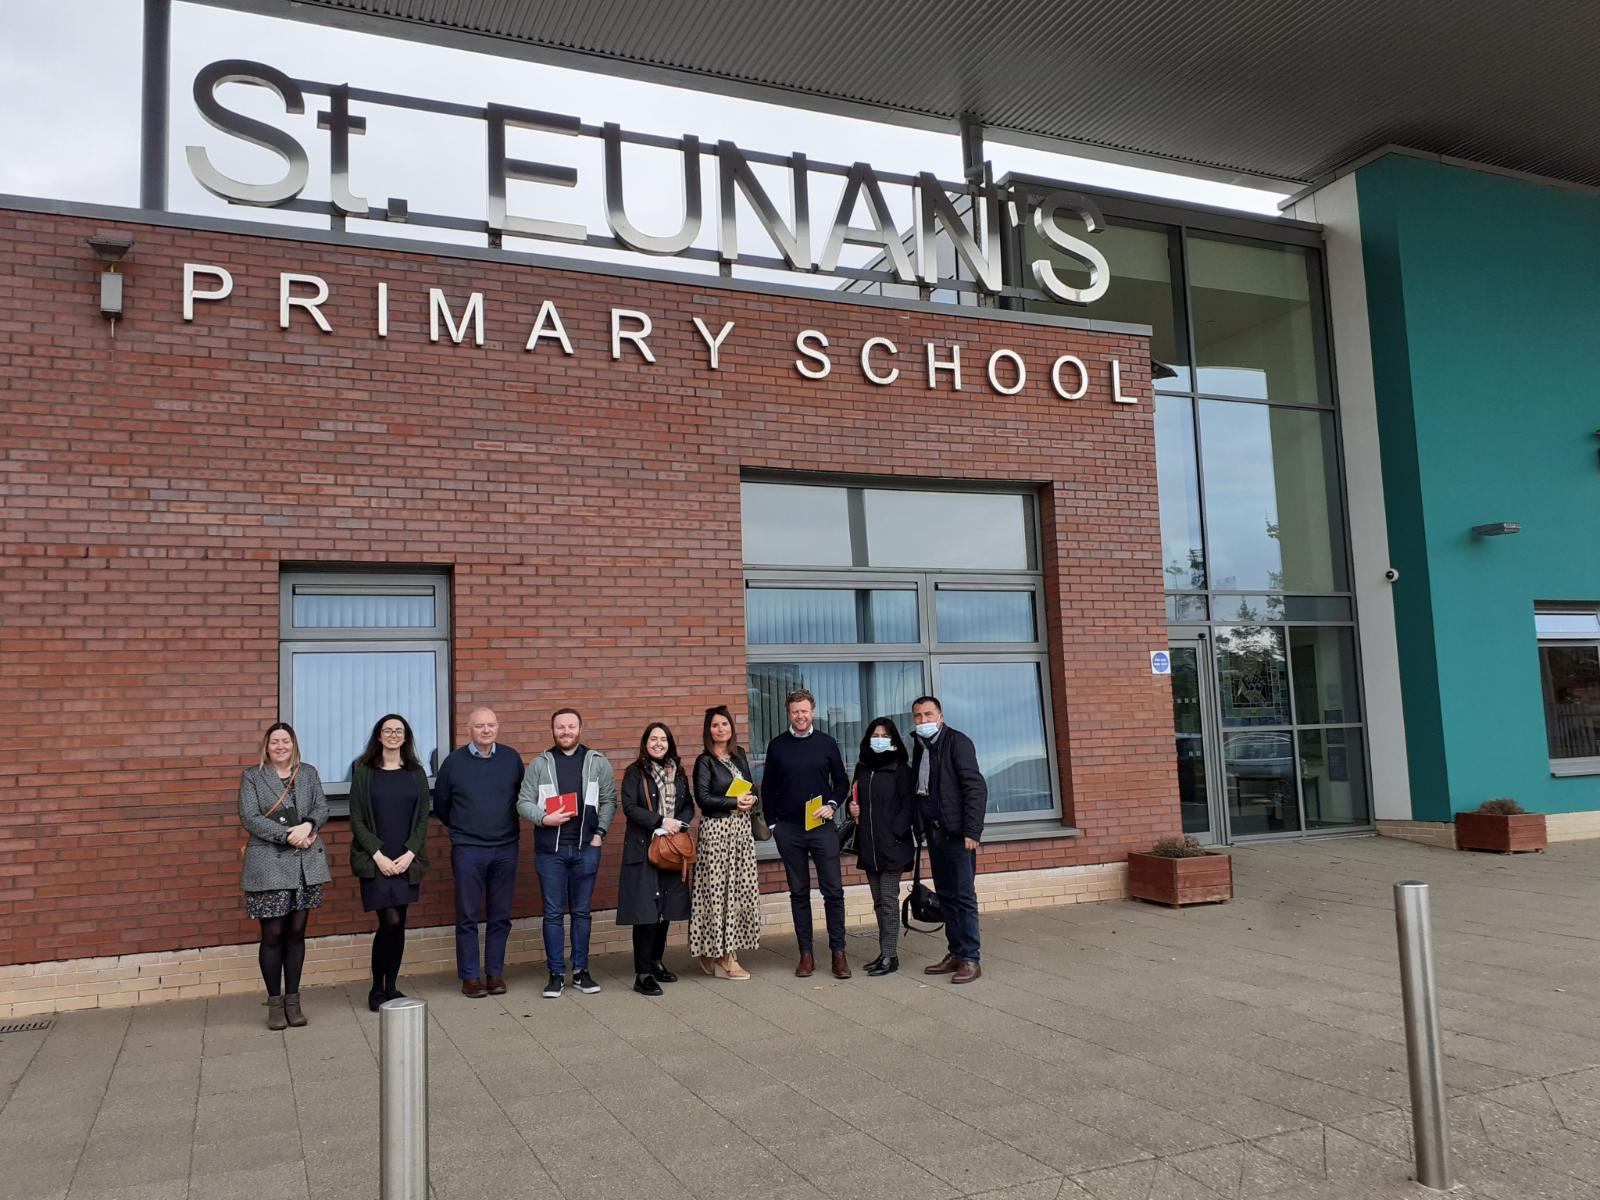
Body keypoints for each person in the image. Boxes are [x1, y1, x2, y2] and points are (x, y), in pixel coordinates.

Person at [516, 708, 617, 998]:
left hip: (586, 848)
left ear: (580, 729)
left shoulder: (597, 762)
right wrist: (543, 818)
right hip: (551, 852)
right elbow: (523, 802)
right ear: (552, 730)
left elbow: (609, 800)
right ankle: (556, 974)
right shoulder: (539, 764)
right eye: (560, 727)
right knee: (552, 914)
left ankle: (581, 972)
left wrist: (599, 834)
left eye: (571, 726)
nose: (566, 731)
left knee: (582, 912)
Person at [238, 721, 331, 1030]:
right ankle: (275, 1003)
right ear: (266, 746)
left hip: (305, 864)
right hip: (269, 865)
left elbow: (321, 807)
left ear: (294, 745)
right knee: (273, 934)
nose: (280, 746)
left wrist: (309, 825)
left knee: (297, 933)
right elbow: (249, 817)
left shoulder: (308, 773)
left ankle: (294, 1000)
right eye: (275, 741)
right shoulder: (253, 776)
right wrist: (289, 835)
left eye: (286, 741)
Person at [433, 707, 524, 998]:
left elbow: (522, 797)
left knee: (500, 914)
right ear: (468, 729)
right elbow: (442, 804)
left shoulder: (511, 758)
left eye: (491, 725)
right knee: (468, 914)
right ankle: (470, 976)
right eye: (480, 725)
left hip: (505, 847)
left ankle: (495, 973)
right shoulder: (453, 762)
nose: (486, 730)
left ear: (497, 727)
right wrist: (463, 829)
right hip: (468, 849)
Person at [762, 689, 851, 979]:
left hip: (821, 827)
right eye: (795, 711)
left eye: (804, 711)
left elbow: (841, 781)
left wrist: (833, 804)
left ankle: (838, 953)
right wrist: (773, 825)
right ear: (788, 713)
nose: (800, 716)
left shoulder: (826, 743)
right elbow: (768, 788)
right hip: (789, 829)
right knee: (799, 892)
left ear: (812, 711)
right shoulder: (777, 746)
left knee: (833, 891)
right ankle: (806, 955)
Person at [348, 714, 432, 1012]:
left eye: (399, 730)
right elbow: (356, 818)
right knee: (390, 921)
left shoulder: (416, 773)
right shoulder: (364, 771)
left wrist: (410, 853)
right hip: (377, 861)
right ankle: (376, 988)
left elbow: (422, 818)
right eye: (388, 730)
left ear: (406, 737)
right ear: (379, 736)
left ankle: (391, 986)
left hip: (406, 860)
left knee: (399, 924)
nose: (393, 735)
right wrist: (377, 855)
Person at [909, 696, 988, 984]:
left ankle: (970, 958)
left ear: (940, 717)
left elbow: (975, 787)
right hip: (935, 834)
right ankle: (955, 952)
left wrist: (972, 831)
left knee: (964, 896)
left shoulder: (957, 742)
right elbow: (921, 790)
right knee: (947, 896)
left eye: (928, 714)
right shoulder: (921, 746)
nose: (923, 720)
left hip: (957, 836)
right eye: (918, 716)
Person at [616, 723, 695, 996]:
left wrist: (678, 823)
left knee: (665, 910)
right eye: (653, 739)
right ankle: (643, 974)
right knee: (646, 913)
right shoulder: (634, 772)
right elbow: (630, 807)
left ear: (669, 744)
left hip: (671, 850)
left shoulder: (678, 772)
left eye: (663, 739)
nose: (658, 743)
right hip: (644, 849)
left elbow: (688, 804)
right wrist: (661, 821)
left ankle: (656, 962)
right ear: (645, 742)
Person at [690, 706, 762, 979]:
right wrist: (733, 802)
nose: (721, 729)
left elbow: (750, 785)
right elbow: (703, 799)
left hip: (741, 832)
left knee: (739, 892)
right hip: (717, 833)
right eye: (715, 725)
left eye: (725, 724)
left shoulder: (739, 754)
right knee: (718, 894)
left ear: (731, 727)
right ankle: (723, 956)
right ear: (708, 730)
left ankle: (723, 953)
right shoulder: (704, 761)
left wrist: (751, 798)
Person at [847, 717, 914, 977]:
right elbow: (854, 798)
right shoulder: (863, 767)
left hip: (892, 845)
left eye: (885, 735)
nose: (879, 739)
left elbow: (909, 805)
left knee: (888, 900)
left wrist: (896, 832)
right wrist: (852, 808)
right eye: (875, 735)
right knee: (878, 902)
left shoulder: (900, 768)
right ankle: (884, 952)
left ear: (893, 740)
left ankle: (890, 955)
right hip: (869, 844)